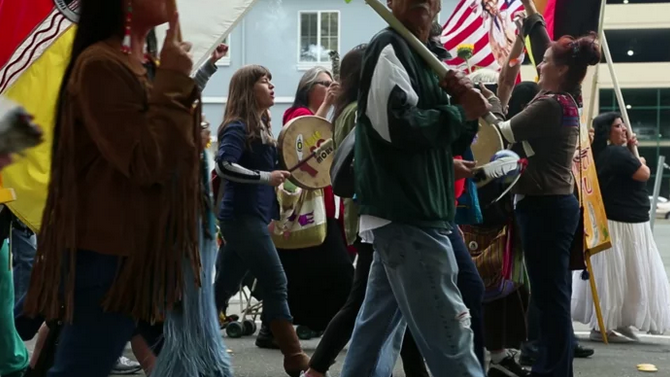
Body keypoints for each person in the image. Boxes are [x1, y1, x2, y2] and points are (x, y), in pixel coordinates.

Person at [20, 1, 204, 375]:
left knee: (187, 365)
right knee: (81, 366)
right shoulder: (100, 65)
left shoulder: (145, 66)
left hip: (146, 257)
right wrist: (175, 81)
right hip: (111, 259)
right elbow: (145, 162)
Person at [338, 0, 491, 375]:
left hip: (413, 211)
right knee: (449, 333)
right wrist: (460, 112)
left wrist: (462, 106)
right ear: (392, 2)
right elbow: (397, 125)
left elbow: (449, 142)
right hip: (410, 212)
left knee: (375, 333)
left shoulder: (422, 57)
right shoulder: (389, 45)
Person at [482, 6, 601, 375]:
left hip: (545, 209)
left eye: (546, 61)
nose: (541, 64)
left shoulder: (550, 104)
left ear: (562, 70)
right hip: (554, 206)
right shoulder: (568, 98)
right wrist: (533, 24)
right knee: (552, 296)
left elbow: (502, 132)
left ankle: (553, 371)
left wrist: (485, 105)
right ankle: (554, 368)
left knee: (551, 298)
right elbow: (546, 45)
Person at [300, 44, 429, 377]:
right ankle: (316, 369)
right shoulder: (360, 110)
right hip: (374, 217)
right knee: (366, 301)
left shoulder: (348, 110)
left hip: (363, 216)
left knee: (399, 303)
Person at [213, 64, 310, 377]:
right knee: (276, 282)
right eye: (264, 80)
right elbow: (225, 165)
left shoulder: (260, 127)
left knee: (222, 287)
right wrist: (266, 177)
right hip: (240, 218)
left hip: (247, 218)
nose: (271, 85)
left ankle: (188, 345)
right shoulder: (238, 126)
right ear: (247, 89)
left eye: (270, 79)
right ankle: (295, 357)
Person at [571, 112, 670, 341]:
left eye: (623, 124)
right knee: (621, 273)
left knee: (624, 273)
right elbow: (643, 173)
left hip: (625, 221)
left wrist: (632, 152)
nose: (623, 129)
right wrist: (637, 156)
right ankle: (605, 322)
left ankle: (618, 320)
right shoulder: (616, 153)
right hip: (624, 223)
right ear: (607, 131)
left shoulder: (606, 154)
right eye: (617, 125)